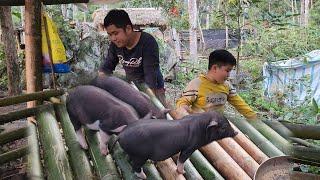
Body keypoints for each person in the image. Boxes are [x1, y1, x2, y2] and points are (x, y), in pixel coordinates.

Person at [99, 9, 166, 105]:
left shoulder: (148, 42)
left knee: (160, 114)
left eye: (116, 33)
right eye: (110, 35)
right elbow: (106, 67)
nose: (113, 38)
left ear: (128, 29)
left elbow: (151, 77)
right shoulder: (115, 44)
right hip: (133, 86)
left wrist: (150, 103)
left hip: (154, 88)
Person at [176, 49, 257, 120]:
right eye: (227, 71)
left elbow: (240, 105)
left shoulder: (227, 86)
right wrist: (184, 110)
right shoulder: (196, 84)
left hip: (218, 127)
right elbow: (182, 103)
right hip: (200, 127)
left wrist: (255, 118)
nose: (229, 75)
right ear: (215, 68)